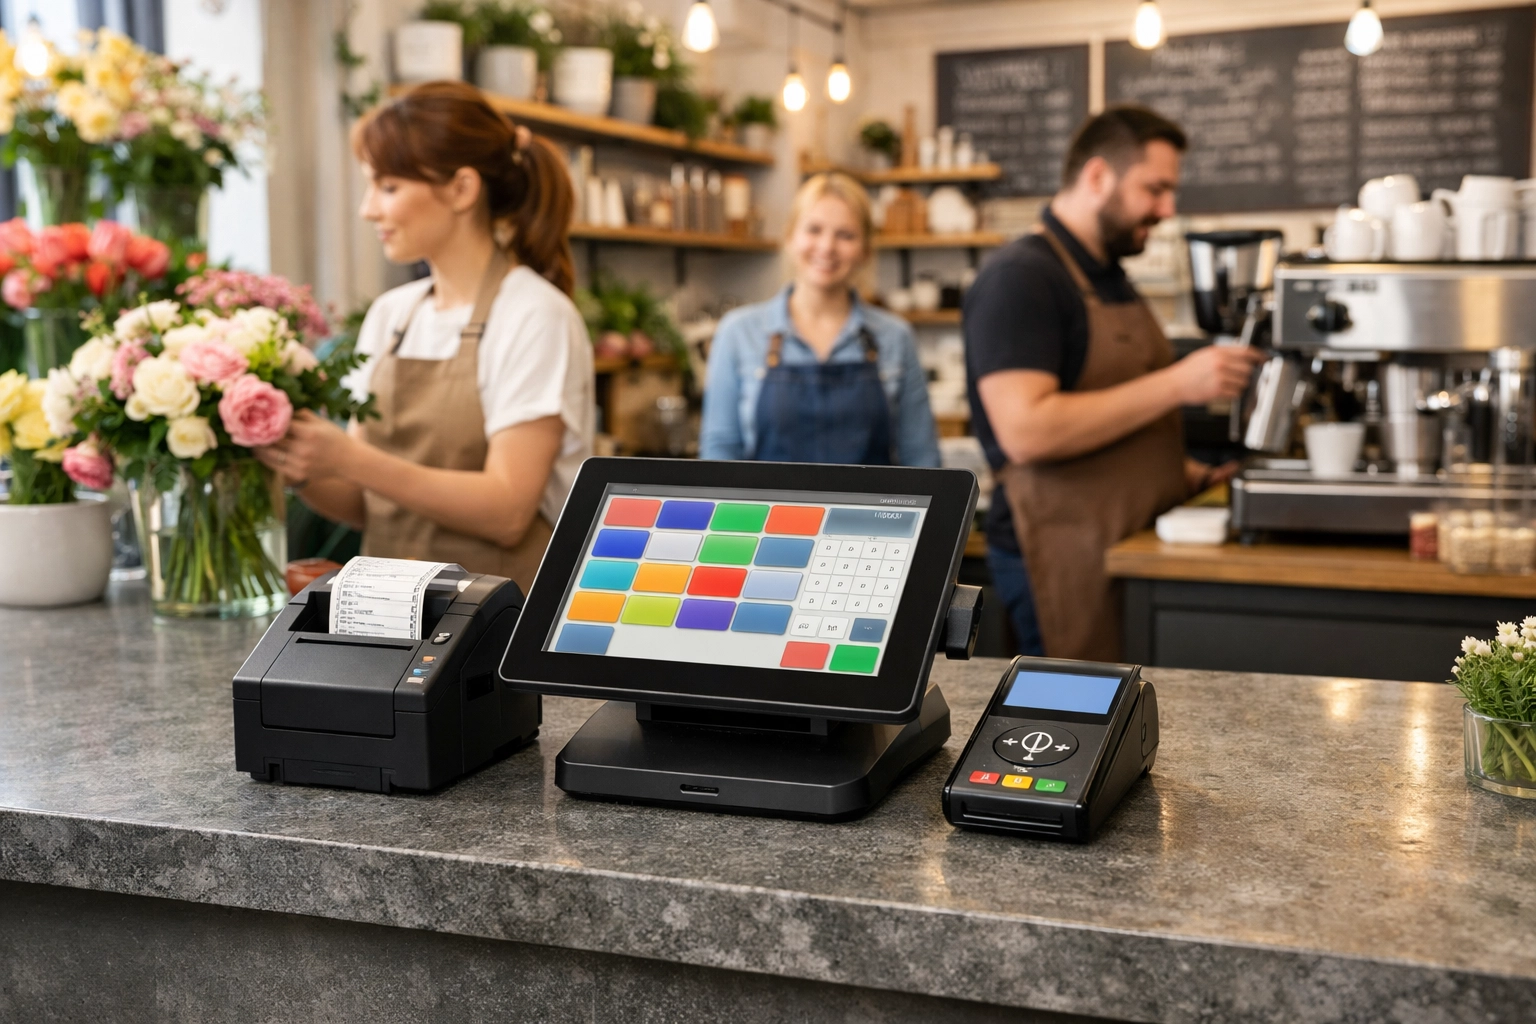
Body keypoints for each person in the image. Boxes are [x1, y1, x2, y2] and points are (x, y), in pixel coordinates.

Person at [258, 81, 593, 593]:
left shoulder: (534, 315)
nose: (369, 209)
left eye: (388, 187)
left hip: (502, 625)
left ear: (462, 189)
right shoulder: (393, 315)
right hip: (392, 617)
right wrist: (299, 463)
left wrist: (351, 458)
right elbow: (363, 501)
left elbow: (508, 510)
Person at [965, 106, 1264, 661]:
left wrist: (1191, 474)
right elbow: (1026, 431)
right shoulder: (1021, 277)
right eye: (1156, 189)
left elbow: (1111, 420)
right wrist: (1179, 383)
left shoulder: (1108, 276)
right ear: (1098, 176)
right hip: (1060, 551)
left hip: (1126, 544)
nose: (1168, 209)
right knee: (1073, 726)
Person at [699, 172, 940, 467]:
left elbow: (922, 458)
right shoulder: (738, 333)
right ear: (789, 238)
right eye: (814, 229)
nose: (827, 247)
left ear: (865, 250)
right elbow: (719, 456)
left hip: (870, 515)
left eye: (846, 235)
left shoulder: (895, 336)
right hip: (769, 514)